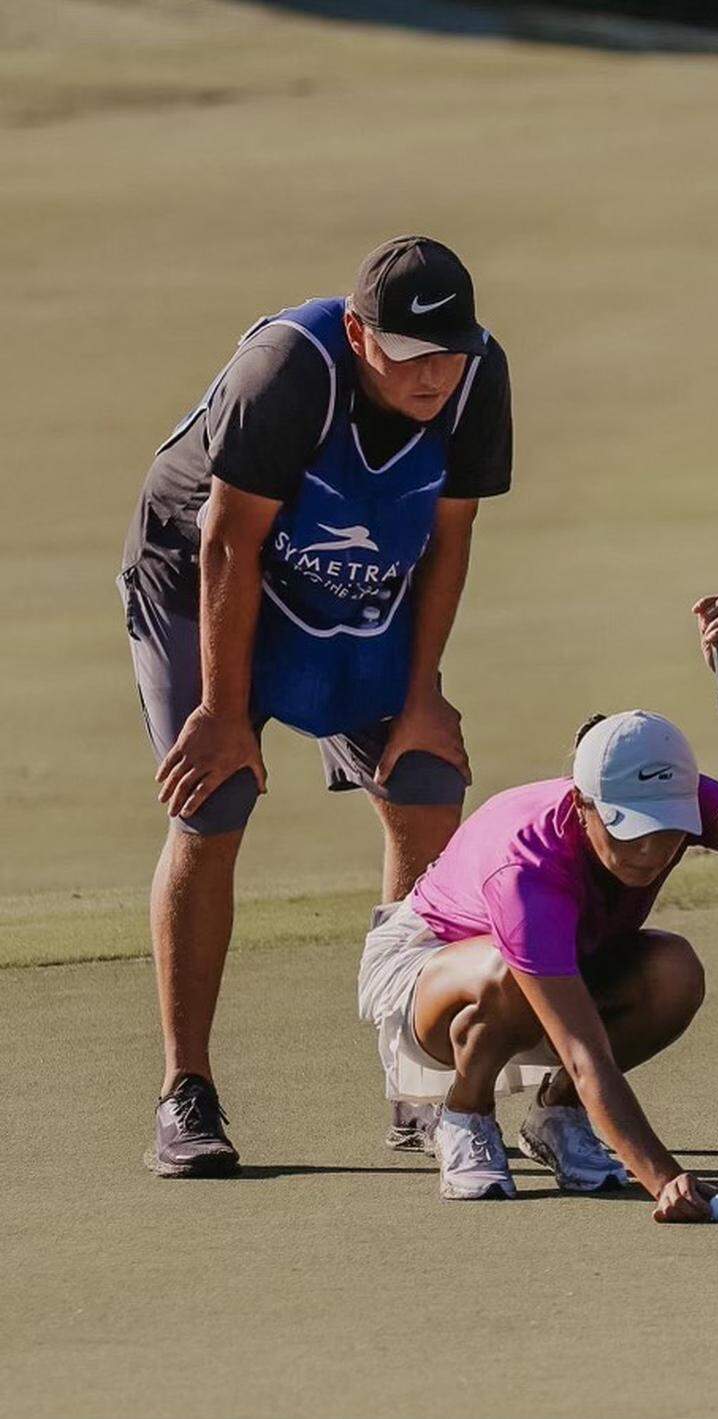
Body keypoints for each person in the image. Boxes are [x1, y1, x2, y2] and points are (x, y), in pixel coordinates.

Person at [119, 236, 512, 1175]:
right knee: (214, 797)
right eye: (410, 354)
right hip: (200, 575)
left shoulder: (477, 378)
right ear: (358, 333)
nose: (434, 374)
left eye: (449, 351)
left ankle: (417, 1077)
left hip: (347, 573)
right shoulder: (288, 370)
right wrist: (223, 714)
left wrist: (423, 694)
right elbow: (228, 542)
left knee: (426, 781)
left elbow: (450, 537)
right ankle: (185, 1092)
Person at [357, 596, 718, 1221]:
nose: (650, 851)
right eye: (628, 831)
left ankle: (557, 1118)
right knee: (505, 974)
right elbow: (584, 1052)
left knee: (673, 970)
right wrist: (663, 1178)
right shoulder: (527, 865)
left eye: (665, 831)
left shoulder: (677, 804)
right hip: (428, 971)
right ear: (583, 805)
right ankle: (464, 1115)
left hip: (565, 957)